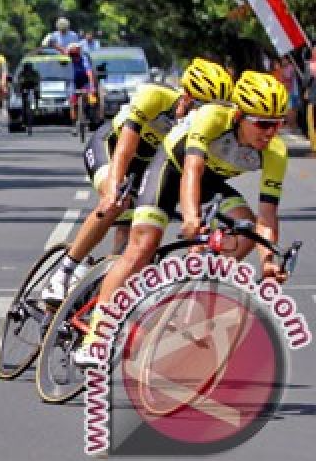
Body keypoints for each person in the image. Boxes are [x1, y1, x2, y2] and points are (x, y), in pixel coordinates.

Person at [74, 71, 293, 368]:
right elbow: (192, 171)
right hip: (171, 168)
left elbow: (267, 217)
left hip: (210, 182)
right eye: (263, 124)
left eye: (277, 124)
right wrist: (191, 219)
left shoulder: (276, 151)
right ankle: (97, 337)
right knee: (143, 246)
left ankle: (188, 291)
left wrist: (267, 259)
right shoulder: (213, 119)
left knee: (246, 233)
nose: (270, 132)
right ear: (239, 115)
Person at [41, 58, 234, 302]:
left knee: (135, 237)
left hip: (147, 167)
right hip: (111, 149)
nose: (204, 116)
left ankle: (103, 293)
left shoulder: (206, 128)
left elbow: (190, 175)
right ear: (185, 97)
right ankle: (64, 271)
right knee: (115, 204)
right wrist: (113, 187)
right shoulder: (155, 97)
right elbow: (125, 147)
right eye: (200, 107)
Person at [65, 42, 97, 126]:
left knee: (91, 99)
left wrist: (92, 86)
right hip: (73, 82)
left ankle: (89, 113)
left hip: (84, 81)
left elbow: (89, 72)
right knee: (73, 103)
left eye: (77, 51)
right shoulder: (67, 59)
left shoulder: (84, 59)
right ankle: (74, 124)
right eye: (73, 53)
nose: (75, 55)